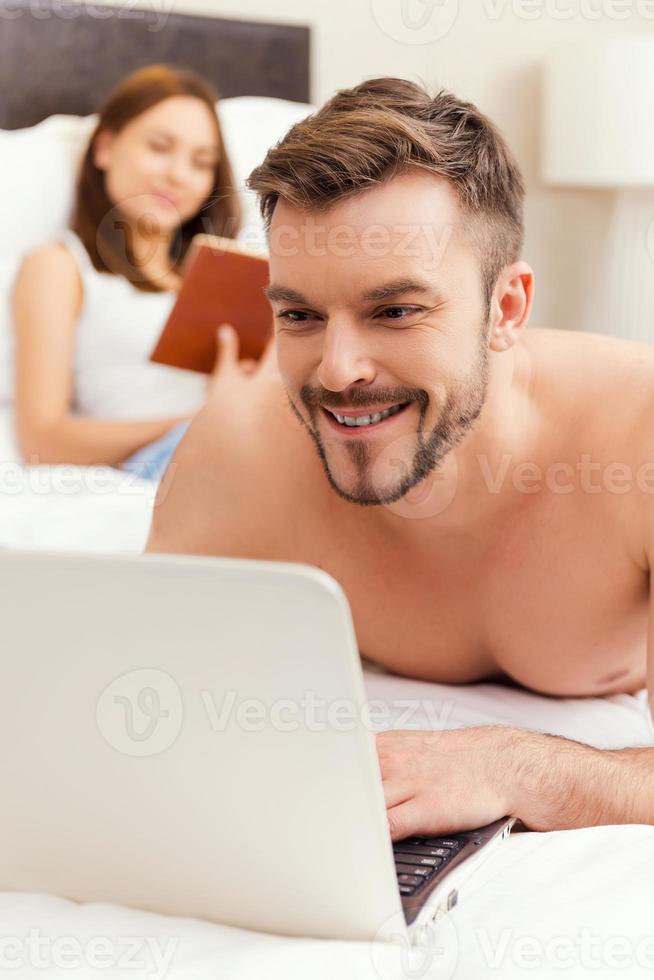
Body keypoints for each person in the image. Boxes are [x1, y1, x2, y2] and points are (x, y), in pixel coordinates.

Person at [146, 77, 654, 836]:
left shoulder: (633, 435)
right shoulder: (236, 452)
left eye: (395, 311)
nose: (338, 369)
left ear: (505, 308)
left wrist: (513, 766)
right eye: (301, 315)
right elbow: (125, 711)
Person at [11, 64, 265, 481]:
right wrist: (210, 417)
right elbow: (45, 440)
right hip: (174, 453)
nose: (178, 175)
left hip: (250, 437)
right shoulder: (61, 267)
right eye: (160, 147)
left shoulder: (225, 275)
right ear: (104, 148)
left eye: (201, 163)